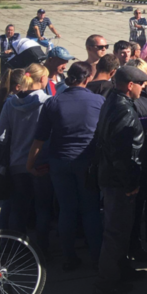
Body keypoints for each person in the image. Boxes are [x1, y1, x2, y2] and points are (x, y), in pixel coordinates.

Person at [28, 62, 105, 271]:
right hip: (87, 162)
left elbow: (39, 138)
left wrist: (31, 164)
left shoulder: (54, 102)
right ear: (88, 78)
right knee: (91, 210)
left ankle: (69, 257)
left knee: (67, 210)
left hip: (59, 161)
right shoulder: (99, 100)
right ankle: (97, 257)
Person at [92, 65, 147, 294]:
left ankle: (121, 269)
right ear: (129, 86)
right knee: (115, 233)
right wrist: (129, 183)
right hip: (118, 182)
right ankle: (107, 282)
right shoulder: (123, 110)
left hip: (111, 177)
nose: (143, 88)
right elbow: (122, 153)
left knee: (121, 231)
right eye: (141, 84)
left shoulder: (113, 101)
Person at [0, 64, 52, 250]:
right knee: (43, 208)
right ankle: (42, 248)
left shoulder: (10, 103)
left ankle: (15, 248)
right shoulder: (48, 102)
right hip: (41, 163)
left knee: (19, 208)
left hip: (17, 163)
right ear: (43, 79)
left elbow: (0, 136)